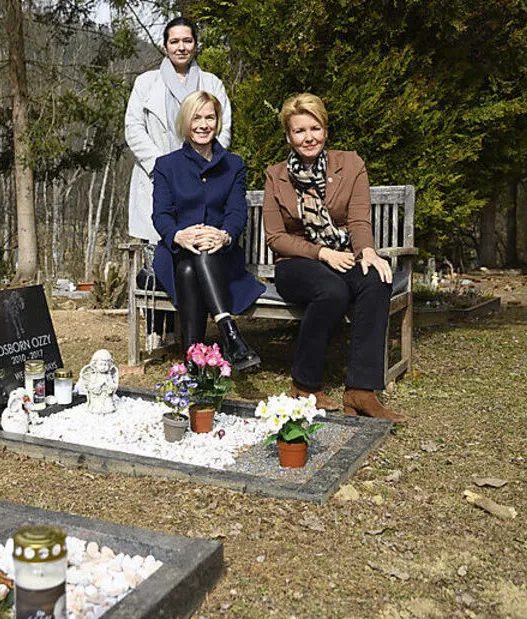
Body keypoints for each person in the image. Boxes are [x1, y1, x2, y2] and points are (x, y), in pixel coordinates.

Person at [262, 93, 405, 421]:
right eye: (299, 131)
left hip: (342, 255)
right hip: (295, 263)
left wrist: (367, 251)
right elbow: (276, 238)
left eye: (315, 128)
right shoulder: (276, 176)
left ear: (325, 130)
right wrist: (322, 253)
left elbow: (358, 220)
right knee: (332, 291)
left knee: (376, 279)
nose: (308, 137)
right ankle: (304, 385)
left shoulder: (350, 165)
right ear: (289, 136)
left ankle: (360, 391)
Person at [125, 17, 233, 353]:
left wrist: (202, 167)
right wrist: (163, 167)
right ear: (165, 45)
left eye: (187, 40)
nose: (181, 47)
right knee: (160, 253)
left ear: (195, 44)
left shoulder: (211, 83)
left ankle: (184, 336)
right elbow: (133, 128)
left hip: (200, 181)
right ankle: (156, 331)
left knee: (191, 255)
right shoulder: (146, 83)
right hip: (158, 176)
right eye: (174, 41)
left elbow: (223, 130)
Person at [151, 91, 263, 371]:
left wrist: (224, 235)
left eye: (210, 117)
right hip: (175, 253)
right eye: (196, 118)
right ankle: (229, 333)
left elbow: (236, 212)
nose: (203, 125)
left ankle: (194, 364)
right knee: (189, 261)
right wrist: (179, 235)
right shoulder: (166, 165)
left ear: (218, 121)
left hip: (220, 257)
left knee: (193, 266)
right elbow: (161, 214)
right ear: (185, 122)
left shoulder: (233, 165)